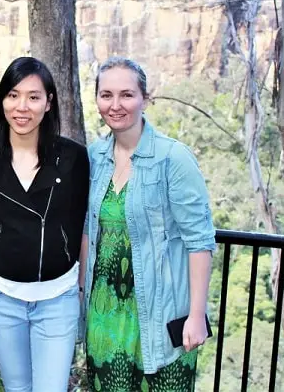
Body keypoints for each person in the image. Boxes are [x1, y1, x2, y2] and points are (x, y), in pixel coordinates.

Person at [81, 56, 216, 391]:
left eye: (126, 95)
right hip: (104, 317)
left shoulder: (173, 158)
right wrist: (80, 296)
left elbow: (199, 241)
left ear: (145, 98)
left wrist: (196, 316)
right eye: (106, 95)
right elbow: (87, 231)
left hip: (159, 313)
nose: (115, 105)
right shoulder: (93, 157)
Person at [0, 56, 90, 392]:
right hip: (2, 298)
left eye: (33, 96)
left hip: (58, 298)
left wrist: (81, 289)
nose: (22, 107)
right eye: (13, 95)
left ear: (49, 102)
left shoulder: (72, 158)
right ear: (1, 101)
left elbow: (81, 225)